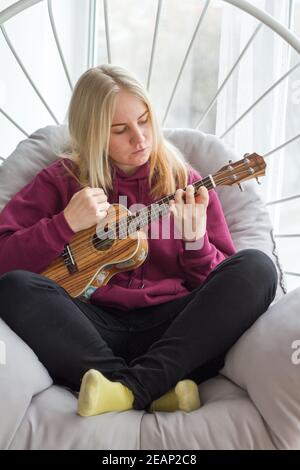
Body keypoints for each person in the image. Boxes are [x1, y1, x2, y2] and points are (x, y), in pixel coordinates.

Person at [0, 64, 277, 417]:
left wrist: (195, 241)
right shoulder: (62, 179)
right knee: (14, 287)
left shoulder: (184, 182)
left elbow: (221, 287)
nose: (140, 138)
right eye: (120, 130)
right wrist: (64, 224)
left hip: (175, 332)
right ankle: (156, 388)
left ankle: (126, 389)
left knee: (257, 268)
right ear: (93, 134)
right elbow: (4, 260)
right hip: (88, 328)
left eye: (144, 121)